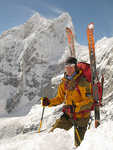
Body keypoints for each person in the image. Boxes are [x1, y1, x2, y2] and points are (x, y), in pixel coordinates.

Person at [41, 56, 94, 147]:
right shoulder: (64, 82)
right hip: (68, 115)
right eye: (66, 66)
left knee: (80, 145)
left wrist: (75, 107)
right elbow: (60, 98)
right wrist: (49, 102)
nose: (68, 69)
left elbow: (89, 101)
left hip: (81, 117)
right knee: (51, 137)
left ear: (76, 67)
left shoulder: (83, 82)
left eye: (71, 66)